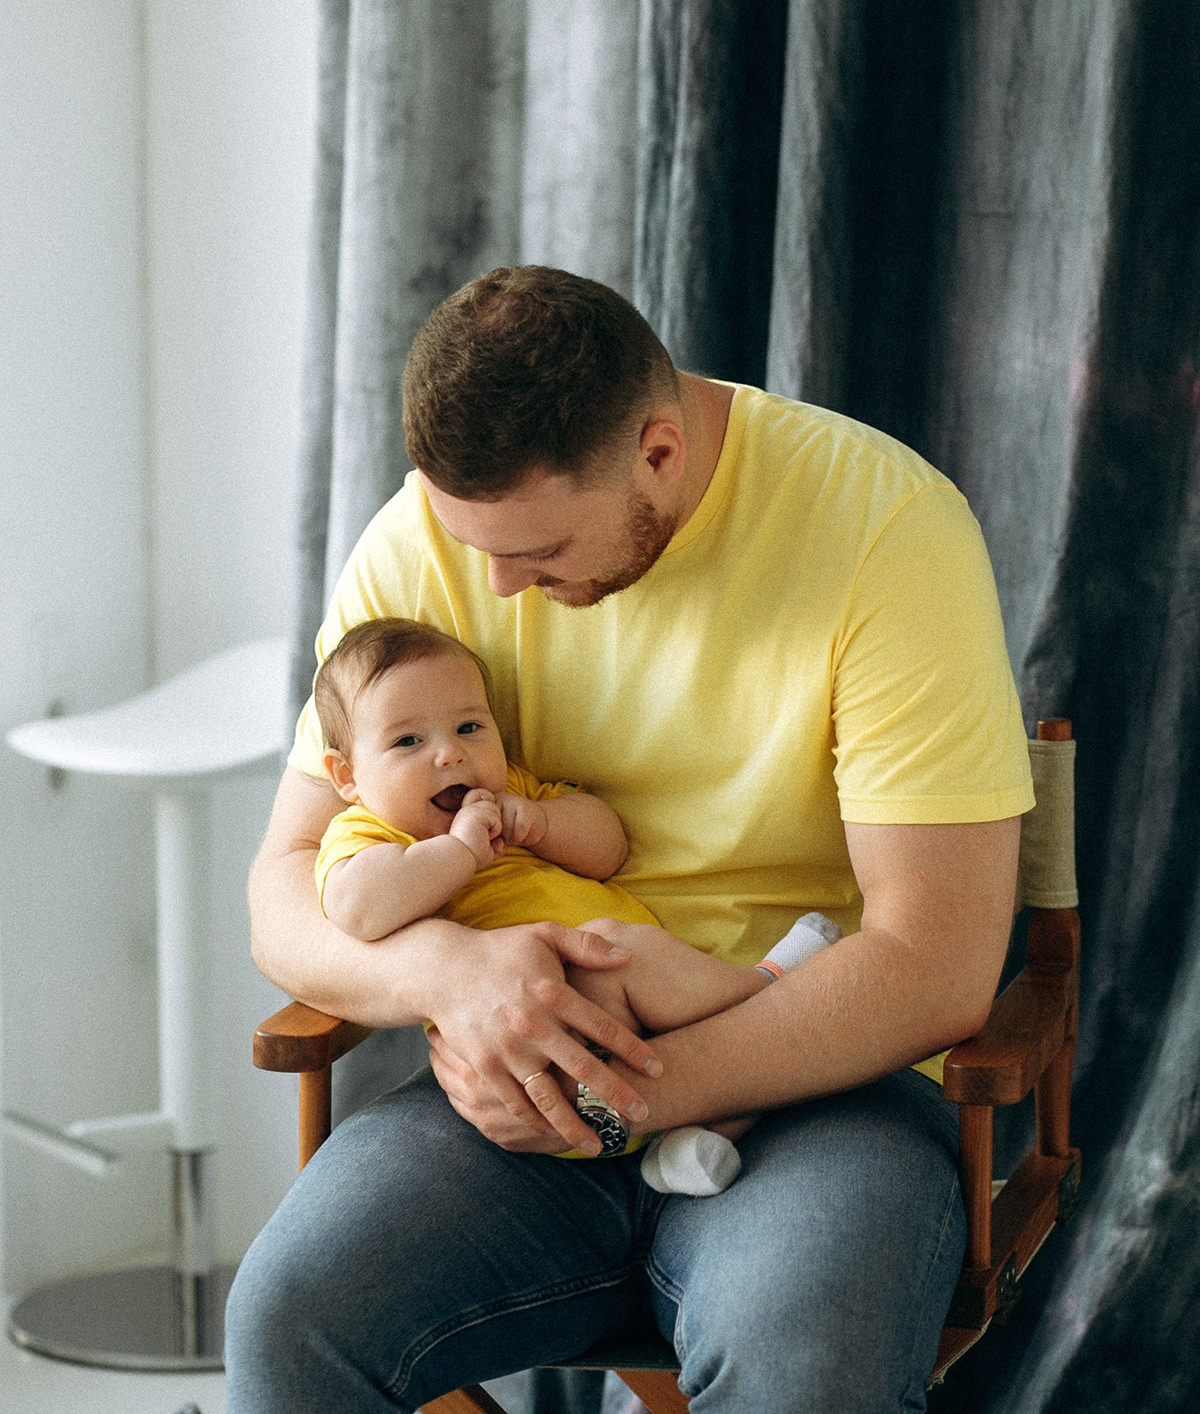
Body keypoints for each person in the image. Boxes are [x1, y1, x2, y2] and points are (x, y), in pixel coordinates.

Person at [227, 265, 1033, 1413]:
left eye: (538, 552)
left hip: (821, 1084)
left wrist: (640, 1092)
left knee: (806, 1372)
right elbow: (284, 887)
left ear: (658, 451)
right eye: (474, 548)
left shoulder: (886, 529)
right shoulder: (430, 541)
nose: (496, 587)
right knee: (288, 1322)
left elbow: (939, 960)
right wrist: (445, 971)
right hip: (515, 1091)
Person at [312, 614, 842, 1195]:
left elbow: (608, 846)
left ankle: (694, 1142)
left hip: (641, 1038)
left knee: (657, 1012)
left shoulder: (513, 790)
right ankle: (773, 988)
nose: (450, 756)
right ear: (348, 776)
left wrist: (541, 823)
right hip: (533, 1034)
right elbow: (359, 907)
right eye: (408, 741)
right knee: (622, 951)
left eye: (469, 727)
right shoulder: (366, 834)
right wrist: (458, 852)